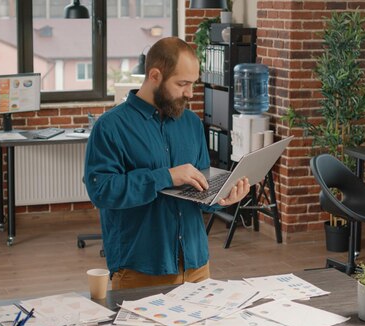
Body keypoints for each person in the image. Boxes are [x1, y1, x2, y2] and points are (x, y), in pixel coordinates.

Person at [84, 37, 250, 289]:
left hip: (197, 266)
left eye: (192, 84)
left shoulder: (192, 124)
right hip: (140, 269)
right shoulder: (110, 127)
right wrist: (167, 176)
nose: (189, 93)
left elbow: (200, 191)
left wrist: (220, 198)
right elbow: (102, 191)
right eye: (182, 83)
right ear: (154, 75)